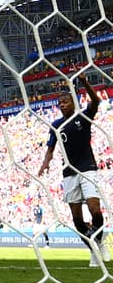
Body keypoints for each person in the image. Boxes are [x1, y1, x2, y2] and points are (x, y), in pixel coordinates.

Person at [39, 72, 107, 267]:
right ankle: (93, 249)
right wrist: (45, 163)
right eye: (60, 103)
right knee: (77, 218)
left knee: (94, 209)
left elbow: (96, 101)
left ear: (74, 103)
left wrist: (84, 81)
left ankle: (99, 241)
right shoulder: (56, 125)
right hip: (69, 172)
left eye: (65, 102)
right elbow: (50, 149)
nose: (62, 105)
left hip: (87, 168)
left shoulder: (83, 117)